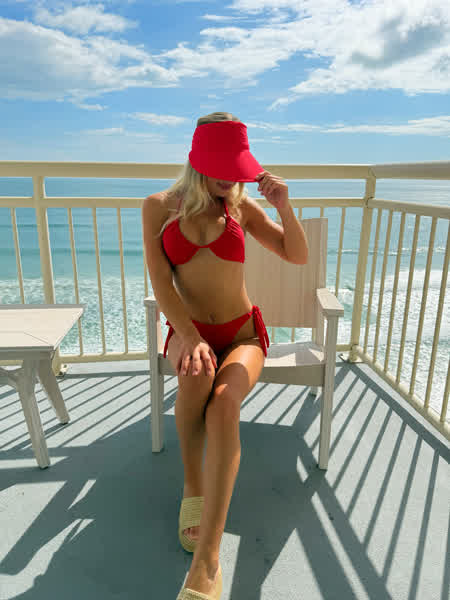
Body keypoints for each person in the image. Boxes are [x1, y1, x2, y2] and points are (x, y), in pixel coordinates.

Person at [142, 112, 308, 599]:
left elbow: (296, 254)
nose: (231, 178)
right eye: (222, 167)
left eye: (237, 169)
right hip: (187, 330)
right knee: (196, 380)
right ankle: (193, 486)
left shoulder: (241, 206)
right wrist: (190, 336)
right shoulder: (158, 207)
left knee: (224, 403)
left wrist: (284, 207)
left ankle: (208, 560)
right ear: (198, 161)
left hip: (242, 335)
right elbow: (162, 284)